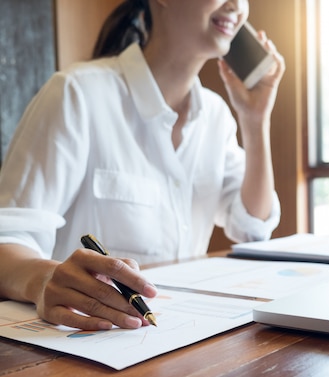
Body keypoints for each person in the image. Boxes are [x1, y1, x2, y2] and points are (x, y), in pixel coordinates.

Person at [0, 0, 285, 331]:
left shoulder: (216, 115)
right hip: (87, 344)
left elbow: (252, 227)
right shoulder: (77, 93)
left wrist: (255, 120)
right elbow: (7, 241)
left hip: (176, 337)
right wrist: (45, 278)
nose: (236, 5)